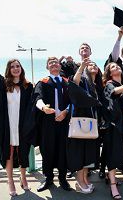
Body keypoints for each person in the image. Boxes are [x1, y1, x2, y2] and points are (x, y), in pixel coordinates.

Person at [0, 34, 33, 196]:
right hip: (7, 125)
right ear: (9, 70)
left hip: (22, 126)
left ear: (21, 69)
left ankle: (23, 177)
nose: (16, 68)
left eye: (18, 66)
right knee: (8, 153)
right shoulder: (3, 84)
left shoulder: (27, 86)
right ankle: (10, 180)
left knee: (23, 152)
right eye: (13, 67)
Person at [33, 57, 71, 192]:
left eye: (56, 62)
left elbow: (73, 101)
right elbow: (38, 98)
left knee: (63, 151)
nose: (54, 64)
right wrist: (44, 108)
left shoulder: (67, 83)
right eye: (50, 63)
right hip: (48, 123)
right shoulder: (42, 83)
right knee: (47, 150)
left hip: (64, 122)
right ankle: (48, 178)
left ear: (60, 66)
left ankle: (63, 178)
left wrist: (66, 112)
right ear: (47, 67)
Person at [67, 58, 102, 194]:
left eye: (95, 64)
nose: (92, 66)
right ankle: (79, 181)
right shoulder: (83, 80)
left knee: (88, 152)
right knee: (80, 152)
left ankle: (85, 179)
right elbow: (73, 84)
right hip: (82, 121)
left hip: (93, 123)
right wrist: (81, 67)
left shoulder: (97, 85)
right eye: (90, 64)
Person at [104, 26, 123, 176]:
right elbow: (113, 92)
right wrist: (119, 37)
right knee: (110, 146)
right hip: (113, 119)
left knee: (122, 144)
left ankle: (122, 166)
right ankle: (107, 172)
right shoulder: (111, 83)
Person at [103, 62, 123, 199]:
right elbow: (113, 92)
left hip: (122, 126)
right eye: (113, 67)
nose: (116, 68)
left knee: (120, 154)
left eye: (117, 66)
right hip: (112, 126)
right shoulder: (110, 84)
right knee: (112, 154)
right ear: (109, 73)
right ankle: (113, 185)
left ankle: (109, 176)